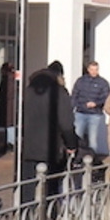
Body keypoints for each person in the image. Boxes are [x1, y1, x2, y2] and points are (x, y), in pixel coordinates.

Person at [20, 62, 79, 200]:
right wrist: (72, 145)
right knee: (50, 188)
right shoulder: (59, 92)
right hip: (51, 149)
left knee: (27, 187)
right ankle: (49, 217)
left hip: (29, 148)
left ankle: (26, 218)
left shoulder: (28, 91)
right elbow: (66, 124)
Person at [70, 61, 110, 159]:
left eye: (96, 70)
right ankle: (75, 158)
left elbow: (107, 97)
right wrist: (75, 107)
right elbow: (74, 95)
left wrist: (96, 104)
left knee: (93, 139)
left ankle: (92, 160)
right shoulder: (80, 81)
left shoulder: (103, 83)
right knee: (77, 137)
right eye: (92, 69)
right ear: (88, 70)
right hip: (80, 113)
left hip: (95, 114)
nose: (94, 72)